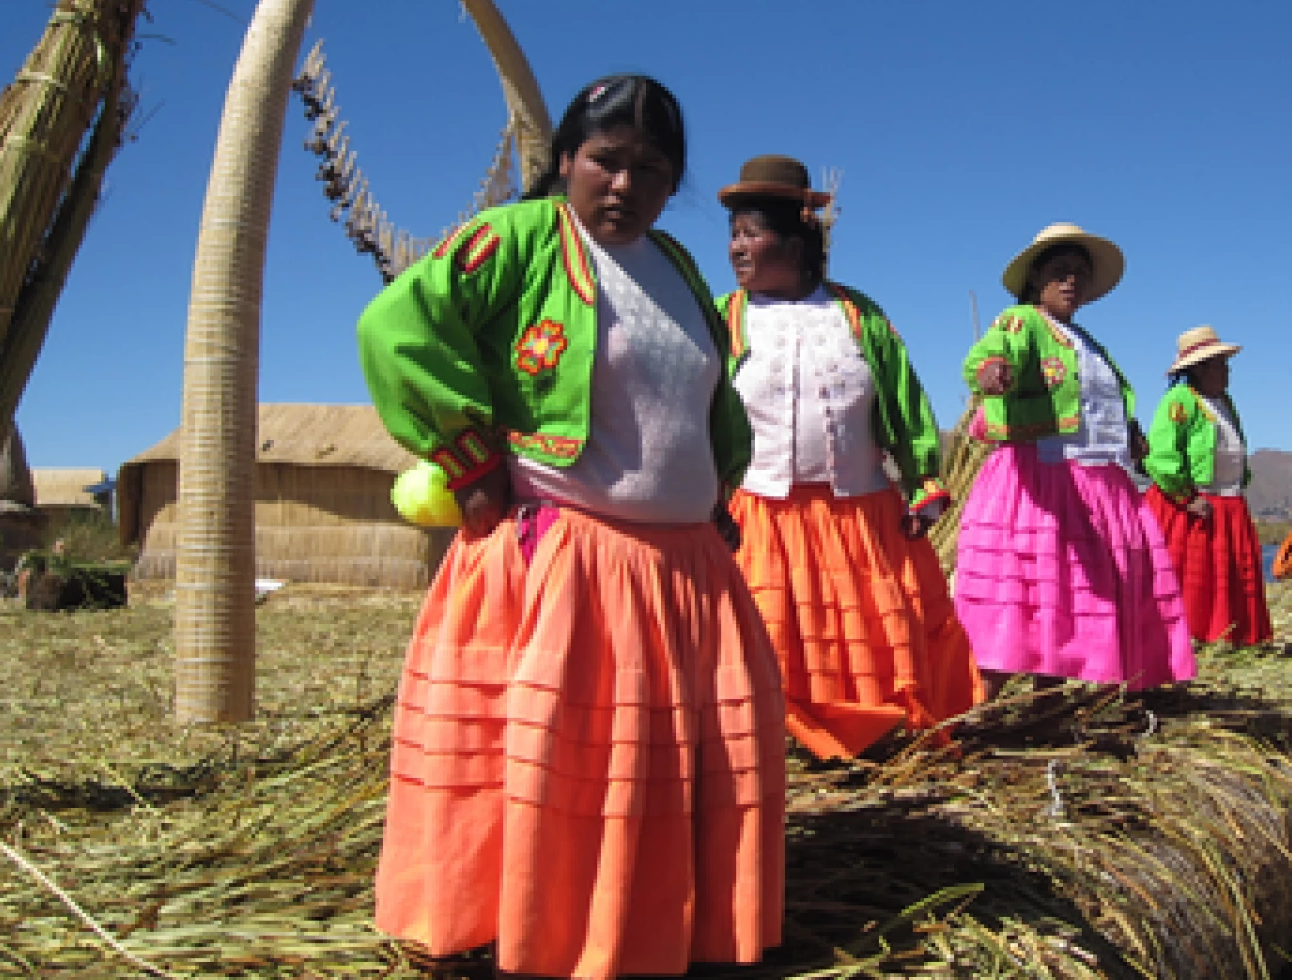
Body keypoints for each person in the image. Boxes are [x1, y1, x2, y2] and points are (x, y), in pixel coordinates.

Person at [358, 75, 784, 980]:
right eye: (606, 160)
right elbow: (396, 328)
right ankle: (527, 932)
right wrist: (471, 458)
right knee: (558, 771)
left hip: (684, 570)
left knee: (658, 777)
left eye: (652, 169)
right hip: (570, 562)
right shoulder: (516, 241)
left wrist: (713, 497)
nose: (625, 184)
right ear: (564, 163)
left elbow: (702, 400)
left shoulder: (676, 265)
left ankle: (653, 929)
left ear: (674, 185)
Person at [715, 155, 984, 760]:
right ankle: (775, 755)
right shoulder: (724, 319)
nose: (736, 248)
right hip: (758, 517)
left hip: (861, 519)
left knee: (874, 638)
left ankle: (872, 748)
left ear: (798, 236)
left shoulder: (858, 317)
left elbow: (904, 400)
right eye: (732, 234)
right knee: (765, 638)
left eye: (751, 233)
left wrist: (924, 479)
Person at [955, 224, 1196, 696]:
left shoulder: (1086, 342)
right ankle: (968, 712)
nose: (1071, 282)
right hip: (1044, 482)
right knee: (1024, 598)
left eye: (1079, 275)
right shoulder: (1022, 321)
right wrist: (990, 371)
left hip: (1099, 486)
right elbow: (993, 352)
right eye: (1060, 272)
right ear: (1037, 278)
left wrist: (1130, 434)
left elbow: (1101, 404)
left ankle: (1052, 706)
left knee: (1071, 603)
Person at [1142, 327, 1273, 648]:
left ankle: (1232, 635)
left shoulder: (1224, 401)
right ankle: (1190, 638)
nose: (1227, 371)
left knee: (1231, 578)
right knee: (1194, 579)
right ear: (1199, 368)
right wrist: (1185, 496)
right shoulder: (1180, 400)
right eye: (1220, 364)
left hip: (1228, 502)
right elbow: (1161, 454)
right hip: (1193, 504)